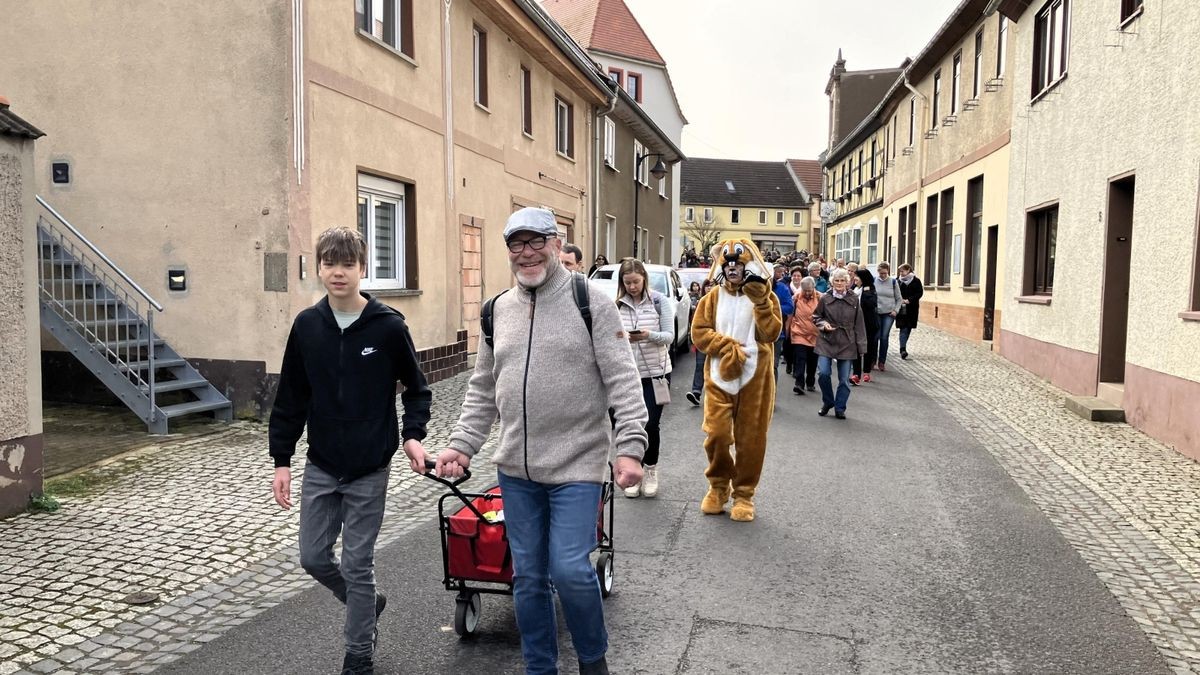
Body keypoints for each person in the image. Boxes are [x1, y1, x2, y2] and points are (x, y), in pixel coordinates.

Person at [435, 207, 647, 675]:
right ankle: (539, 668)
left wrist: (630, 447)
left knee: (570, 569)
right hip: (516, 471)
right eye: (517, 244)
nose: (526, 253)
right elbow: (483, 388)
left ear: (556, 243)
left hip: (578, 464)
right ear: (508, 250)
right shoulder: (497, 311)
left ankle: (593, 661)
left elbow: (624, 380)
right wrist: (462, 445)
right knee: (528, 577)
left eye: (536, 242)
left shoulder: (589, 301)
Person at [269, 227, 432, 675]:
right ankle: (366, 603)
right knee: (313, 557)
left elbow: (416, 391)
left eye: (347, 264)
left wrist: (412, 435)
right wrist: (281, 461)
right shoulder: (306, 326)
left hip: (369, 467)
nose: (337, 273)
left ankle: (359, 652)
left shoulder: (388, 326)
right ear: (320, 267)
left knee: (358, 562)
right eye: (329, 263)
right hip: (321, 463)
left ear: (363, 269)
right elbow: (291, 398)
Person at [691, 238, 782, 522]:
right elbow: (699, 332)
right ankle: (718, 486)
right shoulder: (712, 298)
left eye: (737, 264)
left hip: (755, 377)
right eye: (727, 264)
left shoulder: (765, 296)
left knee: (751, 440)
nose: (732, 269)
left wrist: (761, 303)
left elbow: (771, 334)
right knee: (717, 434)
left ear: (748, 266)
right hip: (720, 375)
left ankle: (743, 493)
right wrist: (725, 346)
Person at [615, 258, 674, 498]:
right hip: (628, 375)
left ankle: (651, 470)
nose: (632, 287)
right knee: (630, 426)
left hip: (656, 373)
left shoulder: (659, 301)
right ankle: (634, 472)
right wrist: (621, 336)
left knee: (650, 424)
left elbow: (669, 336)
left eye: (636, 282)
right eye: (627, 282)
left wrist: (648, 336)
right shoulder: (617, 305)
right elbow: (611, 337)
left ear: (643, 279)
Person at [812, 268, 866, 420]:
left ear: (847, 282)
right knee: (823, 373)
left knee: (844, 379)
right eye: (837, 280)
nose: (840, 283)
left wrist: (861, 345)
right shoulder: (825, 298)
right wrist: (823, 324)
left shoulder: (854, 299)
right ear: (832, 282)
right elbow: (816, 316)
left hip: (847, 341)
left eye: (843, 280)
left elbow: (859, 323)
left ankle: (840, 407)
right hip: (827, 340)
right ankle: (828, 402)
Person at [686, 279, 717, 406]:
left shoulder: (723, 302)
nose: (709, 288)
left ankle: (716, 395)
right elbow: (695, 322)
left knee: (716, 367)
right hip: (704, 339)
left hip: (718, 339)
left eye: (712, 286)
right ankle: (696, 392)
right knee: (700, 365)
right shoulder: (701, 302)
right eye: (707, 286)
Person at [789, 276, 820, 395]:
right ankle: (799, 384)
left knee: (812, 360)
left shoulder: (820, 297)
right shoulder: (796, 297)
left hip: (814, 335)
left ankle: (810, 382)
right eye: (805, 290)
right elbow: (791, 313)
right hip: (799, 333)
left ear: (813, 288)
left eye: (809, 290)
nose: (807, 292)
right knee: (800, 359)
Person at [851, 269, 879, 385]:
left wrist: (866, 294)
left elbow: (872, 304)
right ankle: (856, 374)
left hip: (868, 323)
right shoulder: (854, 289)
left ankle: (866, 372)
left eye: (857, 277)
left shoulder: (870, 289)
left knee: (868, 347)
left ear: (863, 278)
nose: (854, 279)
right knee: (856, 348)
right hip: (855, 323)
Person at [873, 261, 902, 371]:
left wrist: (896, 310)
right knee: (875, 337)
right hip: (876, 312)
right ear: (878, 272)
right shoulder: (874, 281)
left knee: (884, 337)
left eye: (885, 273)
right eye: (881, 273)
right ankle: (872, 360)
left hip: (889, 313)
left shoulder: (893, 282)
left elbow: (899, 299)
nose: (883, 275)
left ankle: (882, 361)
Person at [896, 263, 924, 360]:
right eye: (900, 271)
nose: (901, 273)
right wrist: (900, 300)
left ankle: (903, 346)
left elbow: (919, 293)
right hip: (901, 308)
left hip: (912, 308)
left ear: (908, 270)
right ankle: (902, 349)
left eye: (902, 271)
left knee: (908, 328)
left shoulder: (916, 281)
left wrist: (910, 300)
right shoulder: (897, 281)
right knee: (903, 328)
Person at [771, 264, 795, 379]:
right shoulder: (753, 289)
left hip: (776, 333)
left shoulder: (782, 288)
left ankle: (771, 394)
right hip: (756, 335)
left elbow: (790, 307)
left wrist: (772, 307)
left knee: (773, 366)